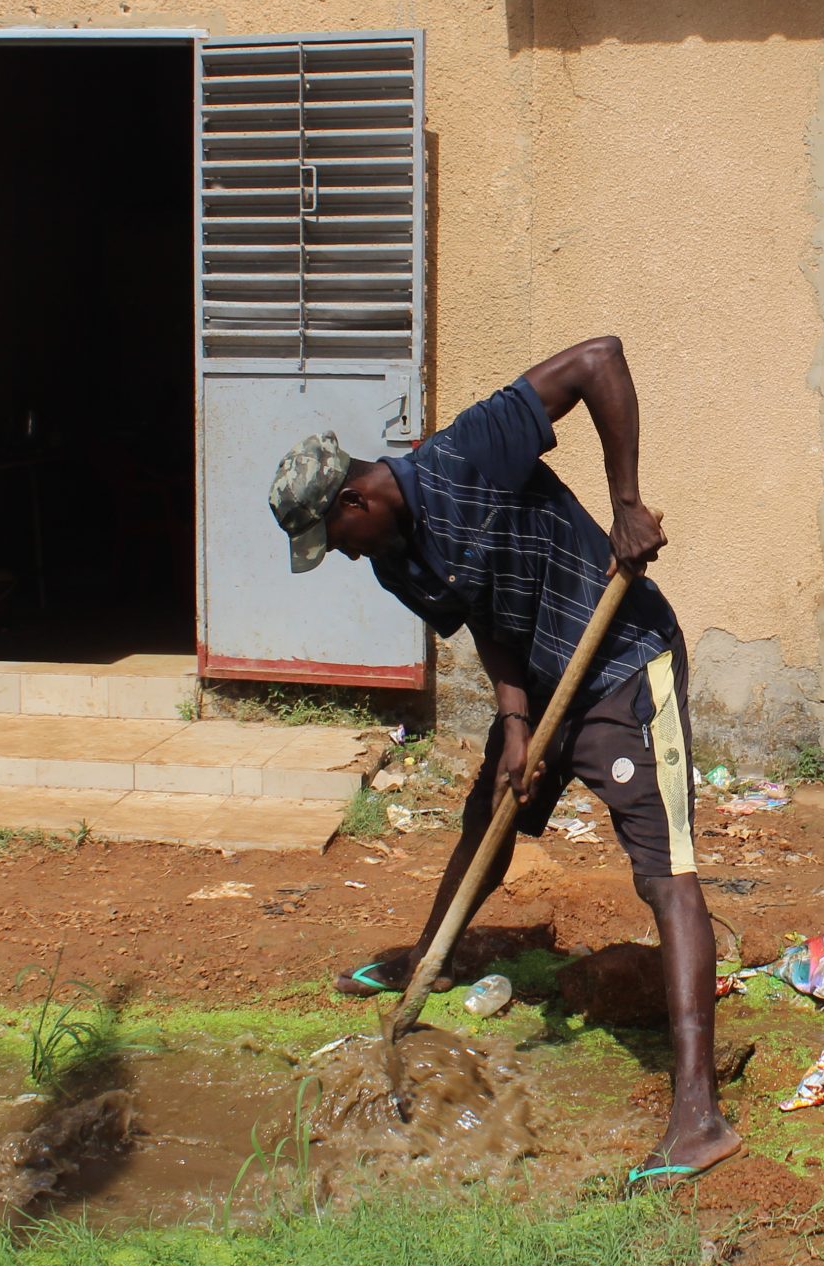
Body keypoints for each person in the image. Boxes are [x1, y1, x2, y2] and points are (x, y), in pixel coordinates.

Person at [267, 335, 741, 1185]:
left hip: (623, 660)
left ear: (353, 499)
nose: (340, 557)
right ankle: (430, 958)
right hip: (544, 682)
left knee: (664, 872)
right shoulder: (395, 560)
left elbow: (602, 359)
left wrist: (625, 502)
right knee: (487, 815)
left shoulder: (468, 450)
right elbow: (487, 612)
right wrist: (515, 722)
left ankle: (699, 1111)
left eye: (332, 539)